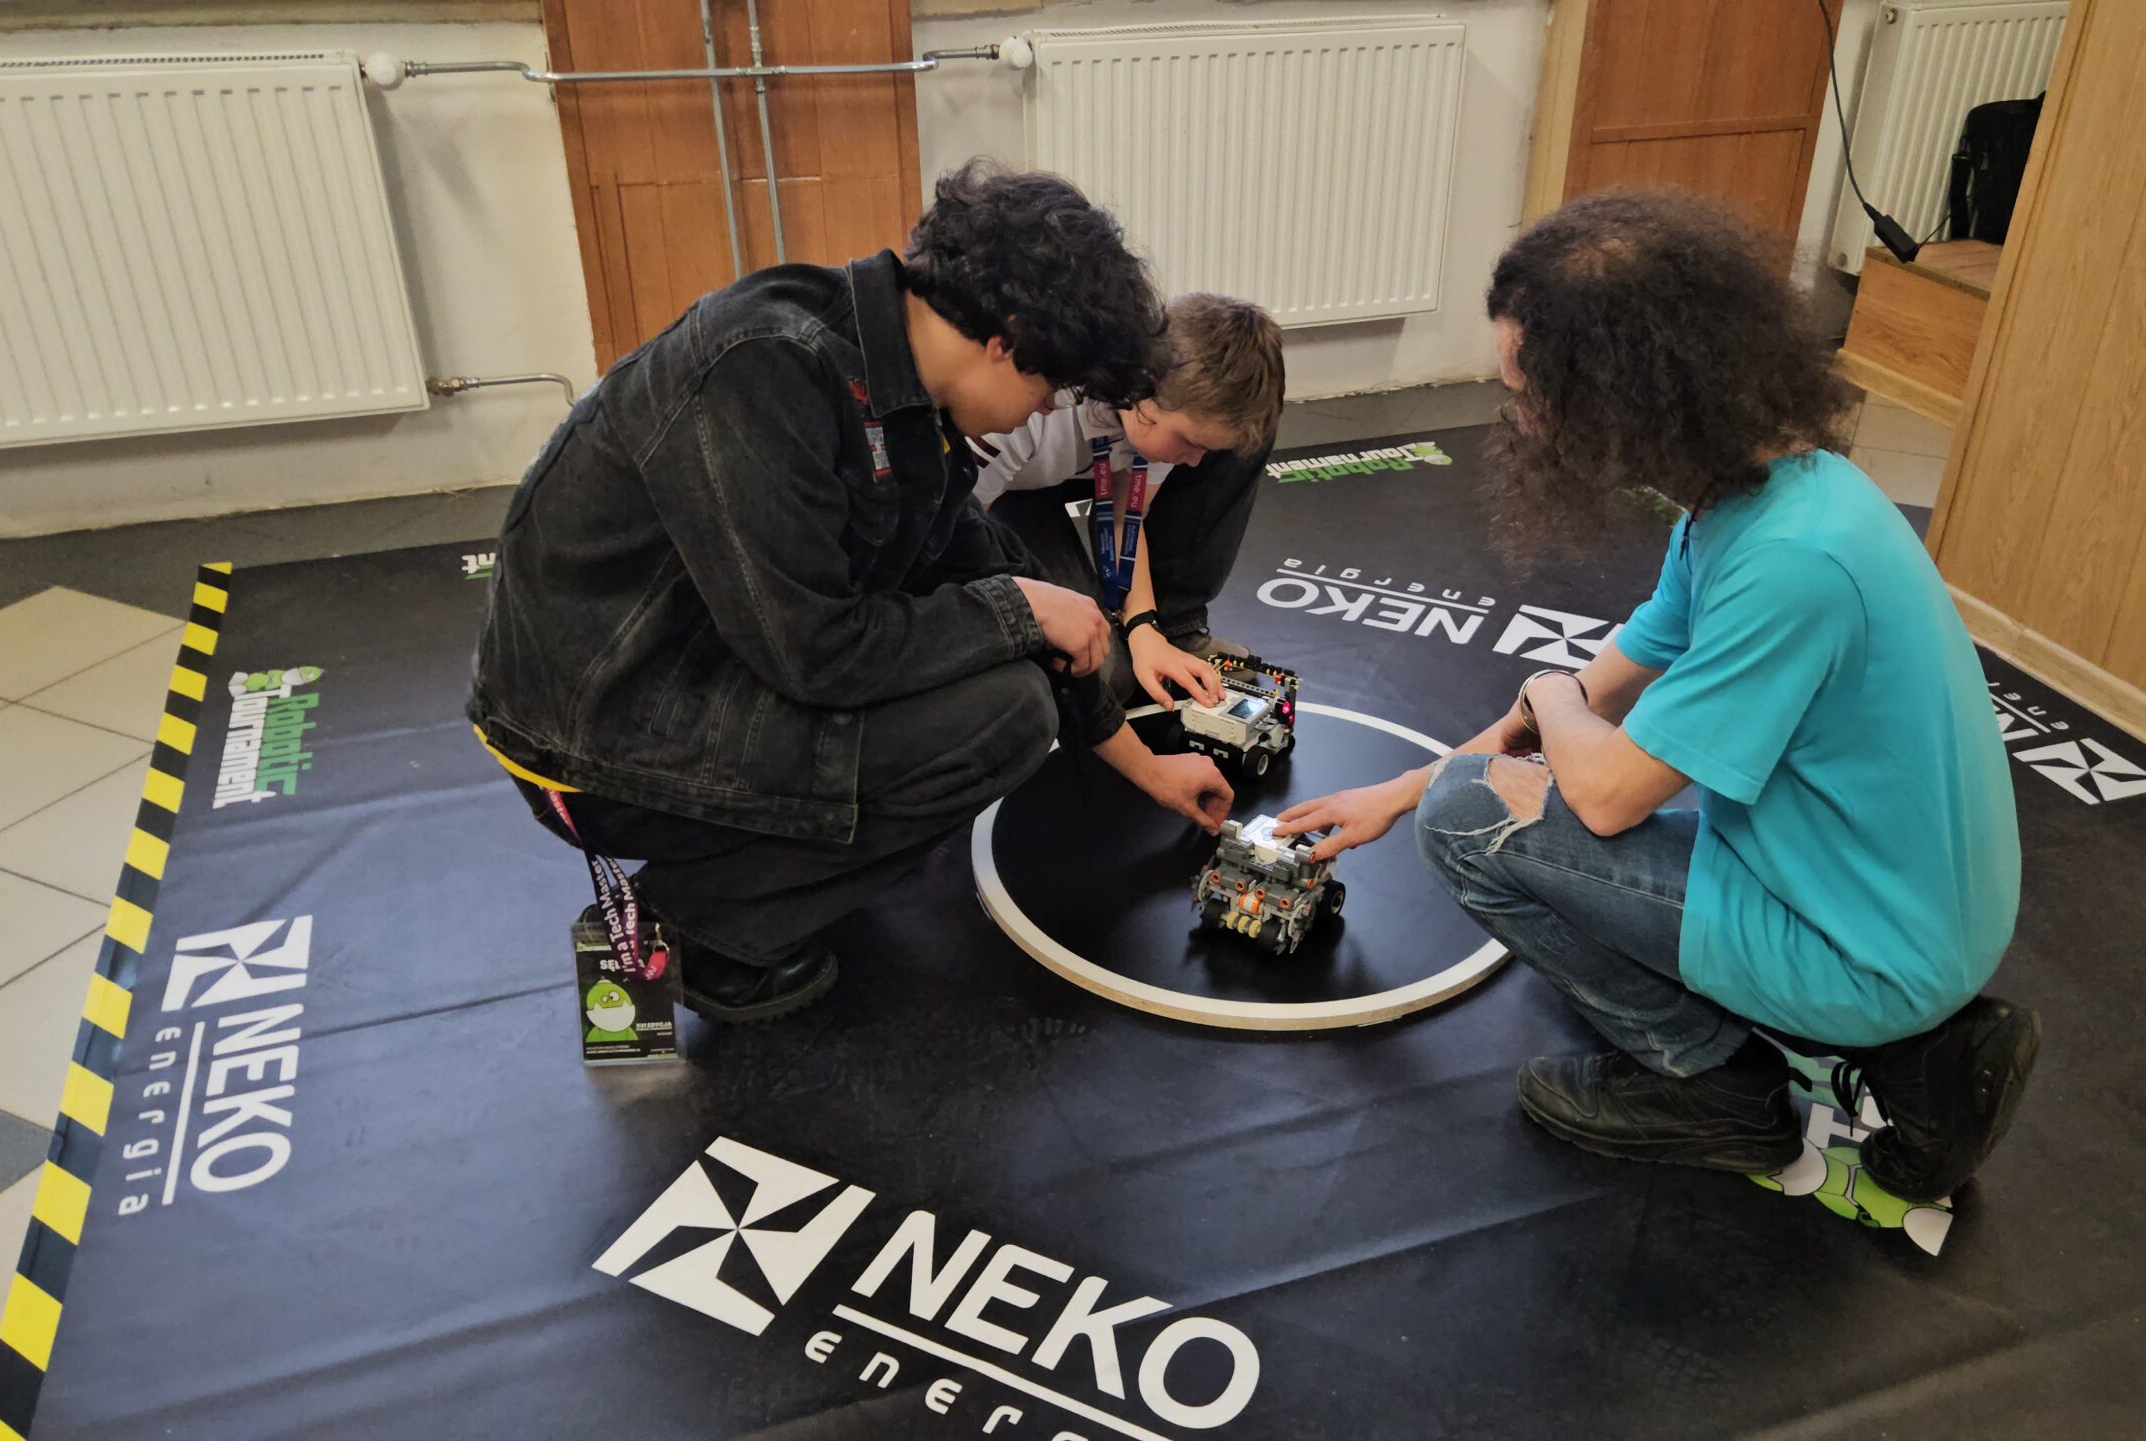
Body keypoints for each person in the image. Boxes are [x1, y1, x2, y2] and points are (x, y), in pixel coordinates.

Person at [1280, 190, 2038, 1203]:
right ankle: (1917, 1057)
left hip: (1869, 954)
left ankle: (1717, 1085)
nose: (1521, 419)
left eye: (1533, 393)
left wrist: (1538, 703)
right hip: (1905, 909)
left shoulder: (1791, 566)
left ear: (1619, 394)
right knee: (1483, 787)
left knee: (1468, 824)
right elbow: (1594, 691)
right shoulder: (1770, 495)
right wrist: (1396, 788)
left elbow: (1598, 788)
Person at [467, 162, 1165, 1023]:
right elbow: (819, 652)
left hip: (704, 669)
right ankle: (691, 926)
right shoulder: (765, 366)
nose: (1042, 410)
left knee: (1007, 666)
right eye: (1048, 387)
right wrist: (1020, 611)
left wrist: (1142, 761)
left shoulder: (900, 377)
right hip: (595, 738)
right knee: (1002, 717)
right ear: (1006, 337)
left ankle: (757, 881)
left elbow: (978, 563)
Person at [981, 294, 1285, 832]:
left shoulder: (1157, 401)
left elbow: (1126, 509)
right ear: (1141, 393)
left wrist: (1145, 628)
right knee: (1104, 677)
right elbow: (948, 539)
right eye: (1188, 441)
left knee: (1237, 443)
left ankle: (1177, 628)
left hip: (1085, 462)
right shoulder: (1030, 401)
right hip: (1007, 493)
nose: (1194, 461)